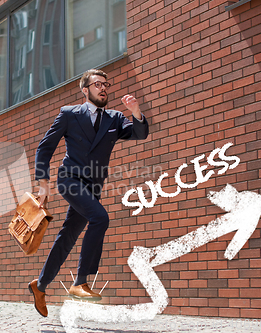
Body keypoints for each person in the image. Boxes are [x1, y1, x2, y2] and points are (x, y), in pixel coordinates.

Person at [28, 69, 149, 317]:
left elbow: (140, 133)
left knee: (68, 236)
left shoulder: (114, 118)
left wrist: (136, 112)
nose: (103, 88)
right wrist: (43, 184)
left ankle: (39, 285)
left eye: (106, 84)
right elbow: (45, 147)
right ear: (85, 90)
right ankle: (80, 282)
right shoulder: (69, 114)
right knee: (100, 218)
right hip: (69, 178)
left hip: (93, 186)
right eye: (97, 84)